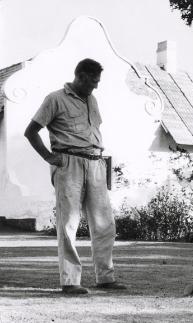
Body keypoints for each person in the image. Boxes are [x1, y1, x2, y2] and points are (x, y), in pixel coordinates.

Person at [24, 58, 125, 294]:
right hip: (68, 163)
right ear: (79, 76)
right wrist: (49, 158)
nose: (96, 86)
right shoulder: (55, 99)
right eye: (92, 81)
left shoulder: (93, 100)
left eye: (98, 81)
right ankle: (70, 281)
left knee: (105, 224)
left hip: (96, 164)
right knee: (68, 223)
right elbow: (31, 132)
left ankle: (105, 278)